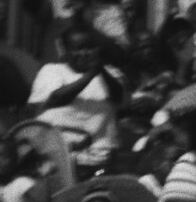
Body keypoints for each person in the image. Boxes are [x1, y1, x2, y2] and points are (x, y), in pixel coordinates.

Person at [28, 21, 127, 169]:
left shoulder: (111, 74)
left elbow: (119, 98)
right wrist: (90, 74)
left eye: (90, 48)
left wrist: (101, 71)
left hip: (99, 155)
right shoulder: (51, 70)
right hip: (56, 154)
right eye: (78, 49)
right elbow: (56, 98)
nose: (85, 53)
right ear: (65, 50)